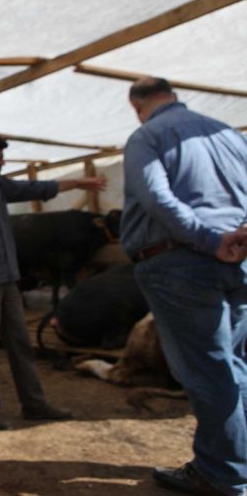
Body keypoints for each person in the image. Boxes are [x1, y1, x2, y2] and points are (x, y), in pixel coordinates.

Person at [121, 77, 247, 496]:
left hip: (183, 264)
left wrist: (212, 240)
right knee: (236, 367)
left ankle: (224, 474)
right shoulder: (227, 133)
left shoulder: (147, 136)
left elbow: (157, 198)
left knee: (208, 371)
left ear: (137, 104)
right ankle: (235, 463)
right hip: (239, 262)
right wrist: (237, 237)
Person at [0, 132, 106, 430]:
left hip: (7, 278)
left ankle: (34, 404)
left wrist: (80, 183)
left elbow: (38, 188)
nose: (3, 163)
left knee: (20, 343)